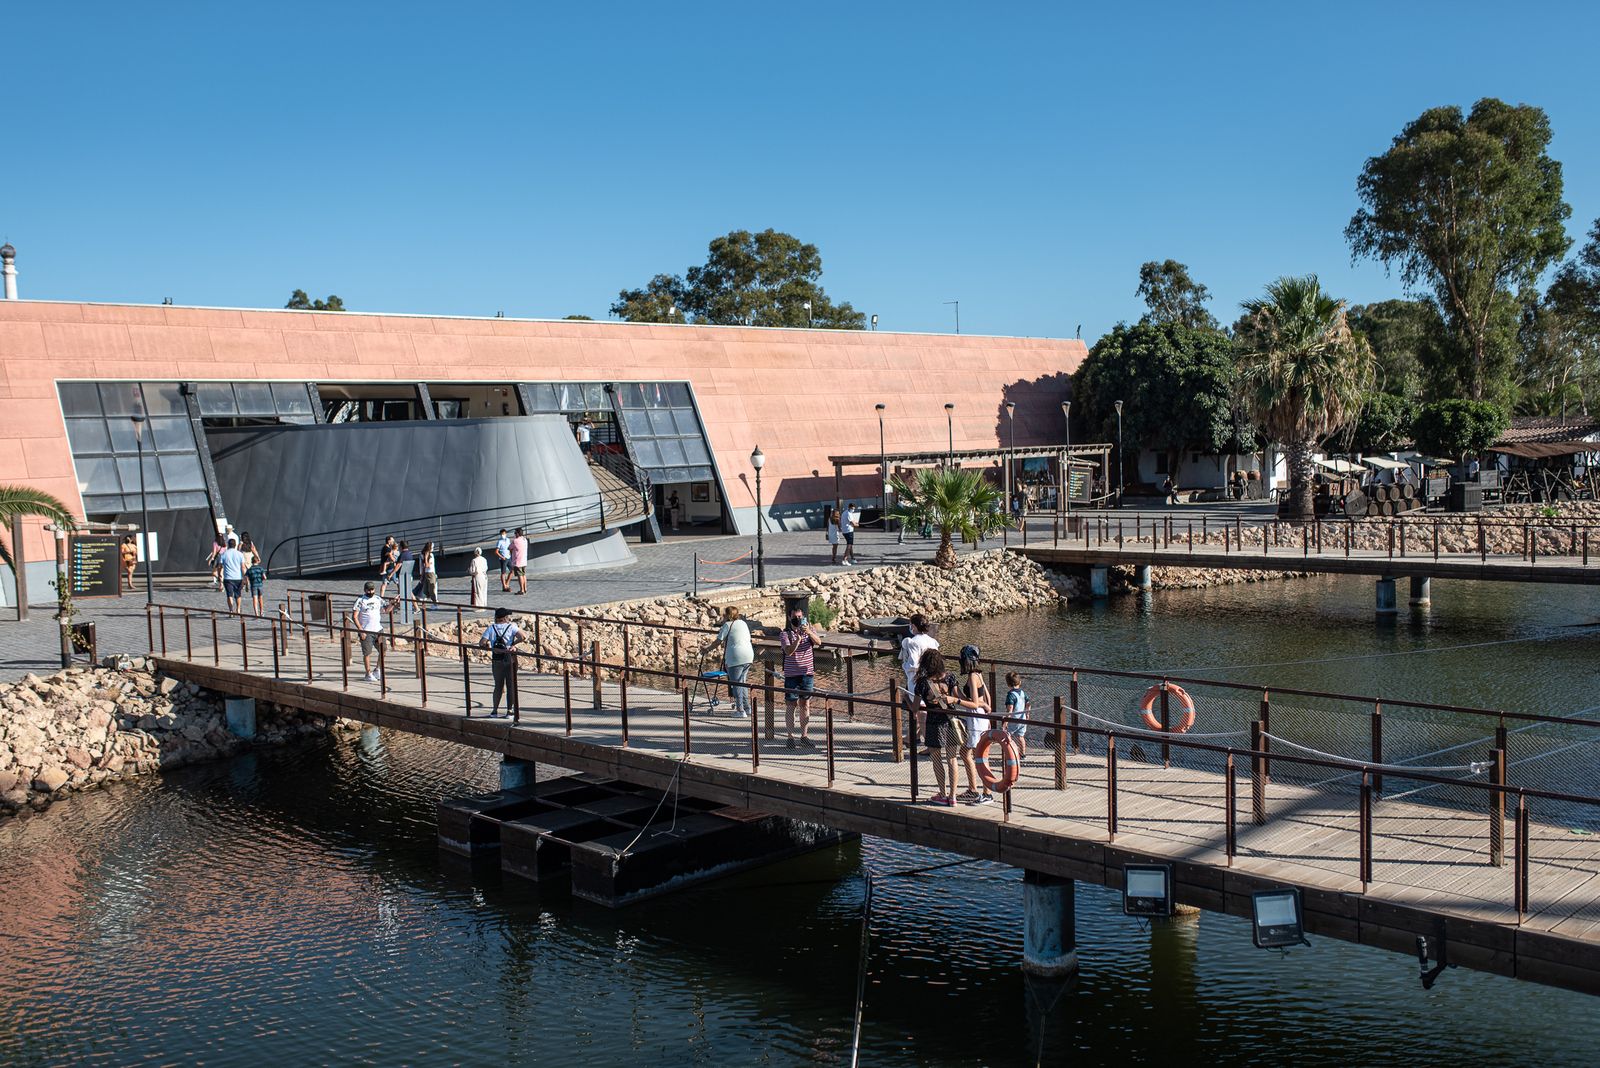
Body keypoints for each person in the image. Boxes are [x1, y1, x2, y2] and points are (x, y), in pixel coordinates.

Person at [916, 650, 964, 807]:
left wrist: (904, 700)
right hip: (950, 721)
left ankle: (942, 794)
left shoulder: (922, 683)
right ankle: (953, 796)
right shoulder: (950, 677)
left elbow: (916, 707)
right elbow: (959, 697)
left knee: (936, 759)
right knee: (952, 759)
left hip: (933, 723)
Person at [778, 606, 823, 748]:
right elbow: (788, 651)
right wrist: (797, 641)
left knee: (805, 705)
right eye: (795, 617)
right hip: (791, 675)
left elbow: (819, 642)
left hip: (807, 673)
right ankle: (790, 737)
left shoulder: (809, 630)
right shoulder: (785, 634)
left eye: (800, 617)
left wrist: (809, 632)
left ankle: (804, 736)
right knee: (791, 705)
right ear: (789, 618)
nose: (797, 620)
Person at [956, 644, 994, 805]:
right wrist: (985, 706)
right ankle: (985, 791)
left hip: (976, 720)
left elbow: (973, 703)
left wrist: (956, 699)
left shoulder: (972, 676)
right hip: (983, 718)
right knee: (980, 755)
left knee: (969, 754)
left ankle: (976, 790)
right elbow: (987, 700)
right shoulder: (979, 674)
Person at [899, 614, 939, 737]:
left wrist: (904, 665)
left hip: (916, 680)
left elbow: (913, 664)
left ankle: (928, 742)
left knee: (920, 710)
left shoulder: (913, 642)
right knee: (928, 707)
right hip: (932, 678)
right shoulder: (932, 641)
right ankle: (914, 736)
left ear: (914, 626)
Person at [478, 607, 522, 719]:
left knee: (498, 685)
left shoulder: (491, 628)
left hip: (497, 658)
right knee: (510, 685)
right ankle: (509, 711)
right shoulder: (511, 626)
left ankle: (494, 711)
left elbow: (482, 642)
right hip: (509, 658)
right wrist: (513, 644)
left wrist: (488, 646)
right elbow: (523, 636)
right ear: (505, 618)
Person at [713, 606, 755, 718]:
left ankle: (740, 710)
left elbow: (718, 641)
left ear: (727, 615)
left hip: (736, 657)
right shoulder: (743, 623)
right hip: (748, 656)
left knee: (736, 684)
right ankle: (748, 708)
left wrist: (707, 649)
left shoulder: (727, 625)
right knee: (743, 682)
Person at [349, 581, 389, 683]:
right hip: (366, 631)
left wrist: (393, 603)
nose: (370, 591)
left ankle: (377, 669)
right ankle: (368, 673)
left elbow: (386, 610)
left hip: (378, 629)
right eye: (368, 590)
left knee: (383, 650)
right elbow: (354, 616)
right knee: (367, 653)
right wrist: (361, 630)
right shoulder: (360, 600)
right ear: (365, 590)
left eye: (372, 589)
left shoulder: (377, 599)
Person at [1004, 671, 1029, 760]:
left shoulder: (1011, 695)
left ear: (1008, 684)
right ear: (1020, 682)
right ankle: (1023, 754)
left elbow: (1010, 709)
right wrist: (1027, 713)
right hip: (1023, 719)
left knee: (1008, 736)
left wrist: (1005, 722)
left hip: (1014, 720)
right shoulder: (1023, 693)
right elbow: (1028, 704)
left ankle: (1009, 753)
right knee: (1021, 737)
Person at [218, 536, 246, 613]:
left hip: (228, 578)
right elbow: (243, 567)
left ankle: (231, 610)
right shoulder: (240, 554)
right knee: (238, 594)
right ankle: (238, 609)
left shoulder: (224, 554)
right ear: (235, 545)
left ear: (228, 544)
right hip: (238, 577)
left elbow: (220, 566)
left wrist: (220, 575)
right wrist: (245, 577)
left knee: (229, 595)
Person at [241, 534, 267, 616]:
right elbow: (254, 550)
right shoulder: (251, 543)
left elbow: (238, 552)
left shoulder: (241, 543)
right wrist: (258, 557)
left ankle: (246, 582)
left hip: (244, 559)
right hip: (250, 558)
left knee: (246, 573)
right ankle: (261, 611)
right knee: (260, 598)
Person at [840, 501, 859, 566]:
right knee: (849, 545)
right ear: (849, 507)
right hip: (849, 531)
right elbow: (853, 523)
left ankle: (853, 558)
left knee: (850, 545)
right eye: (852, 508)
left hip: (844, 531)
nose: (853, 510)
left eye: (854, 508)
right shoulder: (849, 514)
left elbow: (850, 522)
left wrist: (854, 523)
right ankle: (844, 559)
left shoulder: (844, 512)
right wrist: (857, 524)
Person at [510, 527, 529, 594]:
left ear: (518, 533)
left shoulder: (515, 541)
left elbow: (509, 547)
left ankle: (522, 590)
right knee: (523, 575)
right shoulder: (525, 540)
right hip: (524, 560)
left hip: (518, 561)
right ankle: (525, 588)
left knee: (520, 575)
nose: (514, 534)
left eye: (515, 533)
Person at [495, 528, 512, 592]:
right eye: (502, 534)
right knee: (503, 573)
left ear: (506, 534)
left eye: (504, 533)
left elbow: (509, 548)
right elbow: (496, 551)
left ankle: (507, 583)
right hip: (503, 559)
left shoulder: (508, 540)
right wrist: (502, 557)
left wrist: (510, 554)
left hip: (509, 557)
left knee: (512, 571)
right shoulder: (499, 541)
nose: (503, 535)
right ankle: (504, 586)